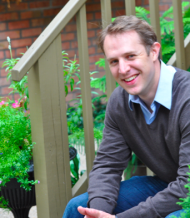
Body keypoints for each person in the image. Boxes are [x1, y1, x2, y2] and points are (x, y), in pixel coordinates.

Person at [63, 15, 190, 218]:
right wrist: (98, 212)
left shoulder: (187, 97)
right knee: (77, 208)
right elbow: (108, 165)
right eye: (114, 61)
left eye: (131, 56)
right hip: (167, 183)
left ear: (154, 51)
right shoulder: (120, 101)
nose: (123, 69)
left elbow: (187, 185)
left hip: (187, 188)